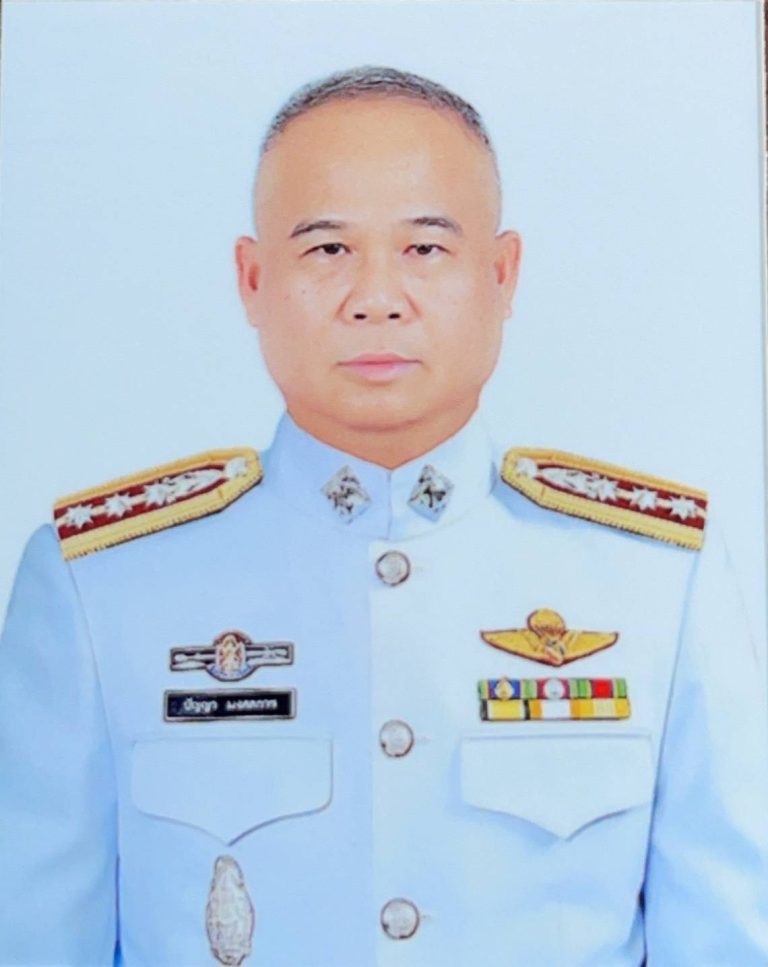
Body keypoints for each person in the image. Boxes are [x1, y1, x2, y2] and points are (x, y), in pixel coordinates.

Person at [0, 65, 766, 967]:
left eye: (425, 248)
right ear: (252, 280)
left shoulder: (657, 581)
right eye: (328, 249)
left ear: (502, 275)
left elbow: (728, 940)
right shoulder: (99, 587)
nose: (376, 295)